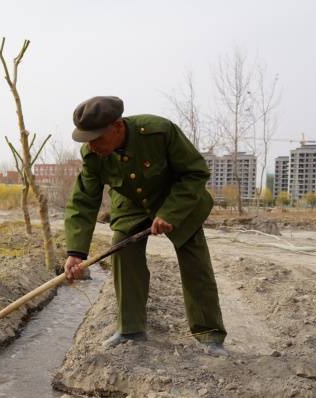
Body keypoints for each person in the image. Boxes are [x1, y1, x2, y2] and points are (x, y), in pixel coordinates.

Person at [63, 96, 227, 356]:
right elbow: (83, 201)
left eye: (96, 138)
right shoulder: (92, 156)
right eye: (87, 140)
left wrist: (170, 212)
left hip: (178, 199)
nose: (91, 146)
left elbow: (195, 172)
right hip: (131, 203)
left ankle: (209, 334)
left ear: (117, 126)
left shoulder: (159, 132)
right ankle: (130, 330)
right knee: (122, 252)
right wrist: (76, 253)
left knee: (195, 263)